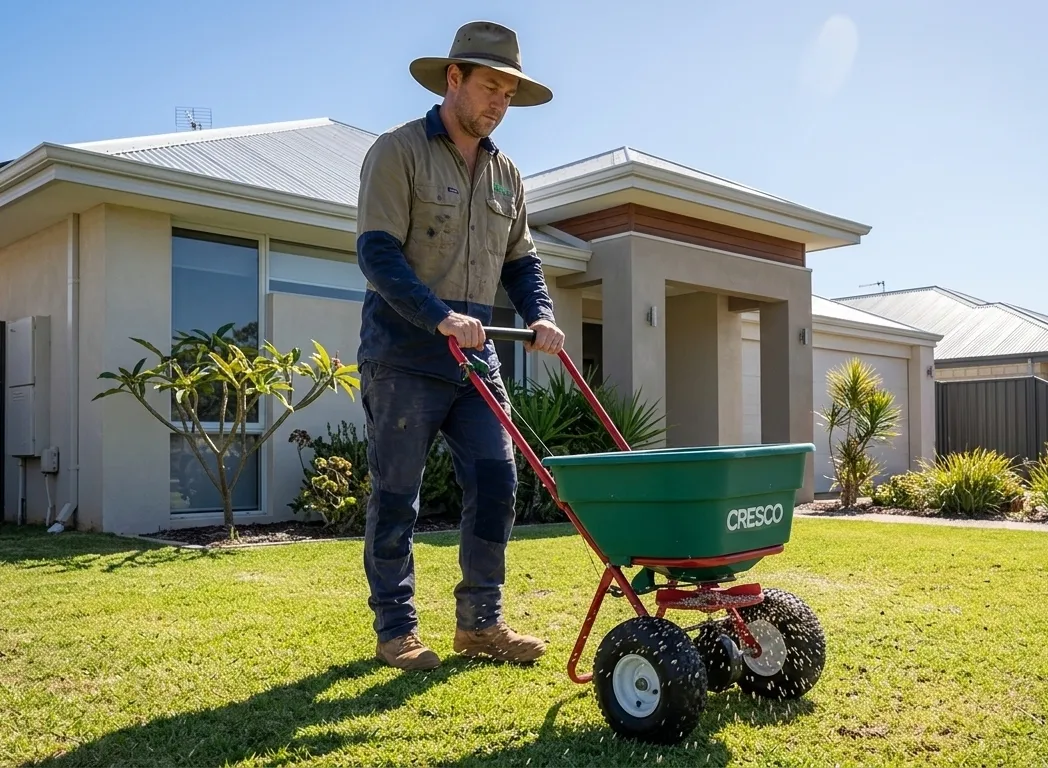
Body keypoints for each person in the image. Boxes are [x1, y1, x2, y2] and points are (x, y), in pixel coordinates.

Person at [354, 20, 565, 671]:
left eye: (509, 93)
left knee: (497, 480)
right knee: (397, 495)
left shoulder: (506, 174)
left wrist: (542, 315)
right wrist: (438, 316)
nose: (500, 102)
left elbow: (522, 263)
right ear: (454, 78)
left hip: (477, 357)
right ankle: (396, 630)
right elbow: (378, 254)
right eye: (490, 87)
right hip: (404, 350)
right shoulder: (399, 152)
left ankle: (480, 625)